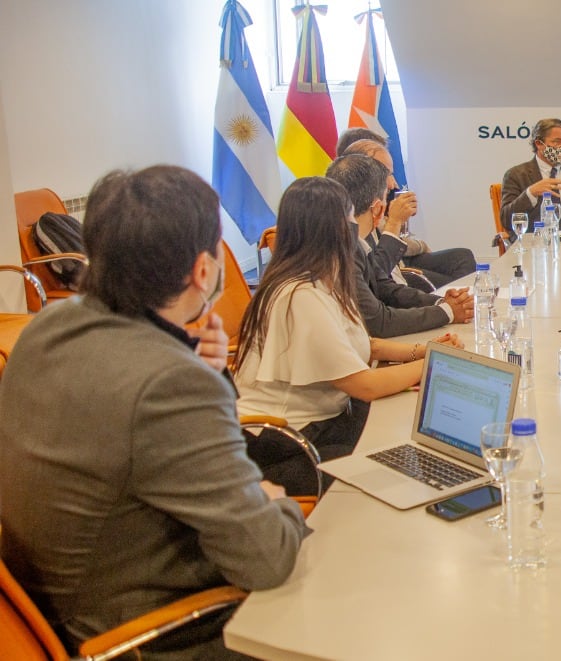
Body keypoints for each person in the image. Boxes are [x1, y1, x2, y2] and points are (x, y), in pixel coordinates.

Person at [0, 165, 308, 659]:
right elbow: (267, 558)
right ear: (203, 271)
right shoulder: (167, 382)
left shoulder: (48, 326)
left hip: (56, 604)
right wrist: (275, 501)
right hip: (147, 631)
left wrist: (203, 374)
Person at [235, 176, 463, 493]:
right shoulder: (300, 294)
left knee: (404, 433)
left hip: (324, 422)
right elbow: (364, 385)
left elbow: (363, 344)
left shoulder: (318, 280)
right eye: (349, 219)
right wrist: (439, 363)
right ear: (336, 230)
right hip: (290, 441)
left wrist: (422, 350)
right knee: (398, 467)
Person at [325, 153, 475, 338]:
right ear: (379, 209)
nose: (393, 183)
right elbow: (378, 322)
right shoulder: (342, 247)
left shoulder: (347, 236)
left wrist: (441, 303)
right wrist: (448, 312)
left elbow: (383, 285)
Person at [343, 138, 477, 288]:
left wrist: (402, 225)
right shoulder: (358, 207)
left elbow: (395, 241)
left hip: (397, 261)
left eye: (390, 174)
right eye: (385, 173)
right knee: (452, 287)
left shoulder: (380, 198)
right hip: (391, 271)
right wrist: (395, 221)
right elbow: (376, 273)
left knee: (462, 257)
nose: (393, 183)